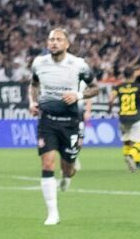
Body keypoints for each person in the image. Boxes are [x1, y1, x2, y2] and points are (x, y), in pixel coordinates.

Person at [29, 28, 99, 225]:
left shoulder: (79, 65)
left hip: (70, 123)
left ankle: (67, 175)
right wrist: (32, 103)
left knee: (67, 167)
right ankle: (53, 213)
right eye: (51, 39)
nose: (54, 43)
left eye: (59, 39)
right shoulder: (39, 63)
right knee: (47, 163)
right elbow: (34, 85)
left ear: (67, 44)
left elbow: (95, 88)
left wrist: (78, 95)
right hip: (47, 121)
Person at [108, 67, 140, 173]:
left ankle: (130, 165)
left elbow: (110, 100)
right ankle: (131, 156)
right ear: (133, 75)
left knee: (127, 141)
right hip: (135, 117)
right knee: (138, 142)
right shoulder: (139, 87)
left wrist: (110, 109)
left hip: (123, 117)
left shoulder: (119, 87)